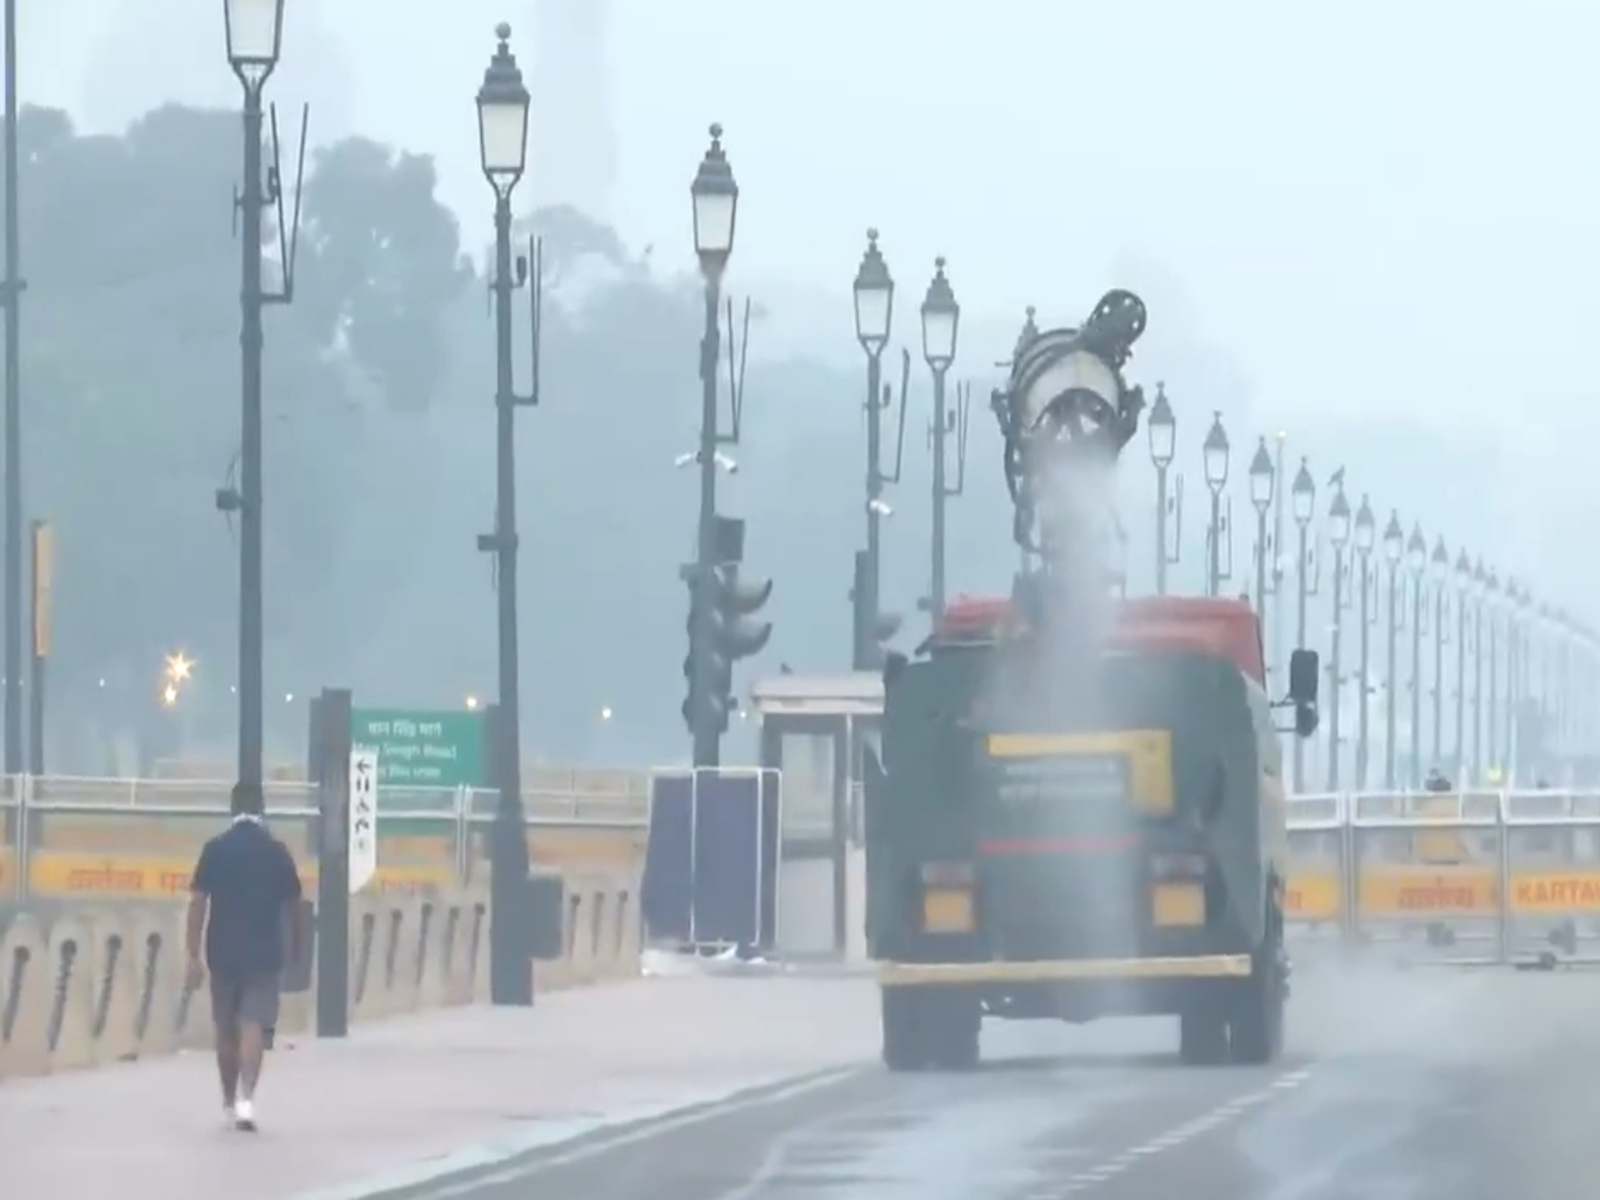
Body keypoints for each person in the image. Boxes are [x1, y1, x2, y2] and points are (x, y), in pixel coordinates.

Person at [185, 781, 303, 1131]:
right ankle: (246, 1100)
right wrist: (296, 947)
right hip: (265, 952)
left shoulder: (215, 850)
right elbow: (294, 905)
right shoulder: (277, 852)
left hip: (222, 950)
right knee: (253, 1025)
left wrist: (192, 953)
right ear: (261, 809)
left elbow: (198, 902)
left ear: (233, 809)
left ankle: (226, 1101)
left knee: (225, 1029)